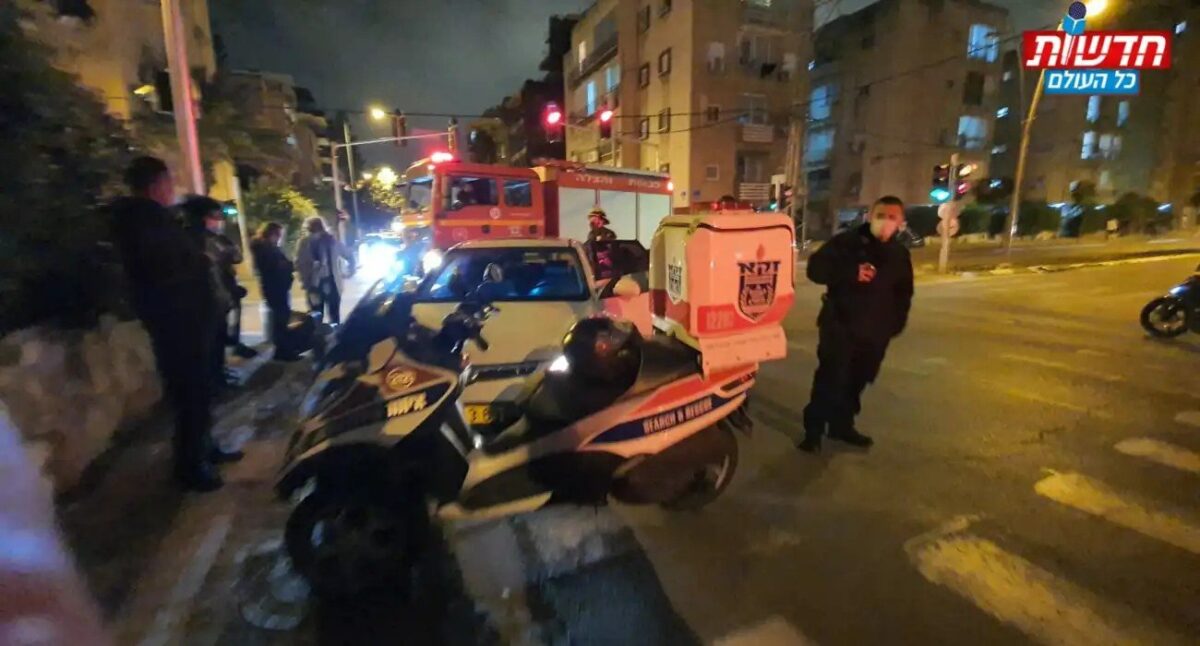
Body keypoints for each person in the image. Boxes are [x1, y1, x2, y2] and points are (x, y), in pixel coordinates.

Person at [108, 157, 238, 492]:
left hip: (190, 322)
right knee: (190, 395)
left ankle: (205, 448)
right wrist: (199, 262)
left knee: (201, 392)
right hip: (178, 325)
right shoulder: (143, 223)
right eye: (168, 182)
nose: (172, 189)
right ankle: (190, 466)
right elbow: (165, 270)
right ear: (156, 185)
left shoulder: (158, 220)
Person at [798, 195, 914, 453]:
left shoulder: (899, 253)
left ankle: (842, 426)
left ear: (901, 222)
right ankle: (813, 432)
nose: (885, 221)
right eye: (880, 215)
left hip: (875, 333)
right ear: (869, 216)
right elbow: (815, 270)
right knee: (830, 379)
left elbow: (904, 293)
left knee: (858, 381)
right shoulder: (846, 243)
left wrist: (895, 324)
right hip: (840, 327)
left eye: (892, 217)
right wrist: (850, 272)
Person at [180, 196, 236, 392]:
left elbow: (232, 259)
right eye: (214, 216)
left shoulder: (212, 239)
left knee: (218, 344)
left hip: (216, 302)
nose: (218, 221)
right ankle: (211, 385)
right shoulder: (190, 240)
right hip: (203, 305)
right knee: (207, 348)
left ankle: (219, 378)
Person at [250, 222, 299, 361]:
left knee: (281, 319)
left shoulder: (268, 248)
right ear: (272, 234)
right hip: (275, 288)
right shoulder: (265, 248)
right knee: (280, 320)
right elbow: (276, 266)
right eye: (279, 234)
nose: (280, 238)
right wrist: (287, 266)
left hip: (277, 287)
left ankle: (283, 350)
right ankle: (282, 351)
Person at [296, 216, 355, 326]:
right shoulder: (307, 242)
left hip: (327, 283)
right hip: (317, 284)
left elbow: (299, 263)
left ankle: (327, 332)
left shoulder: (331, 241)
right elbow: (299, 263)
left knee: (323, 315)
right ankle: (325, 333)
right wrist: (350, 271)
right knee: (321, 316)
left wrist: (350, 271)